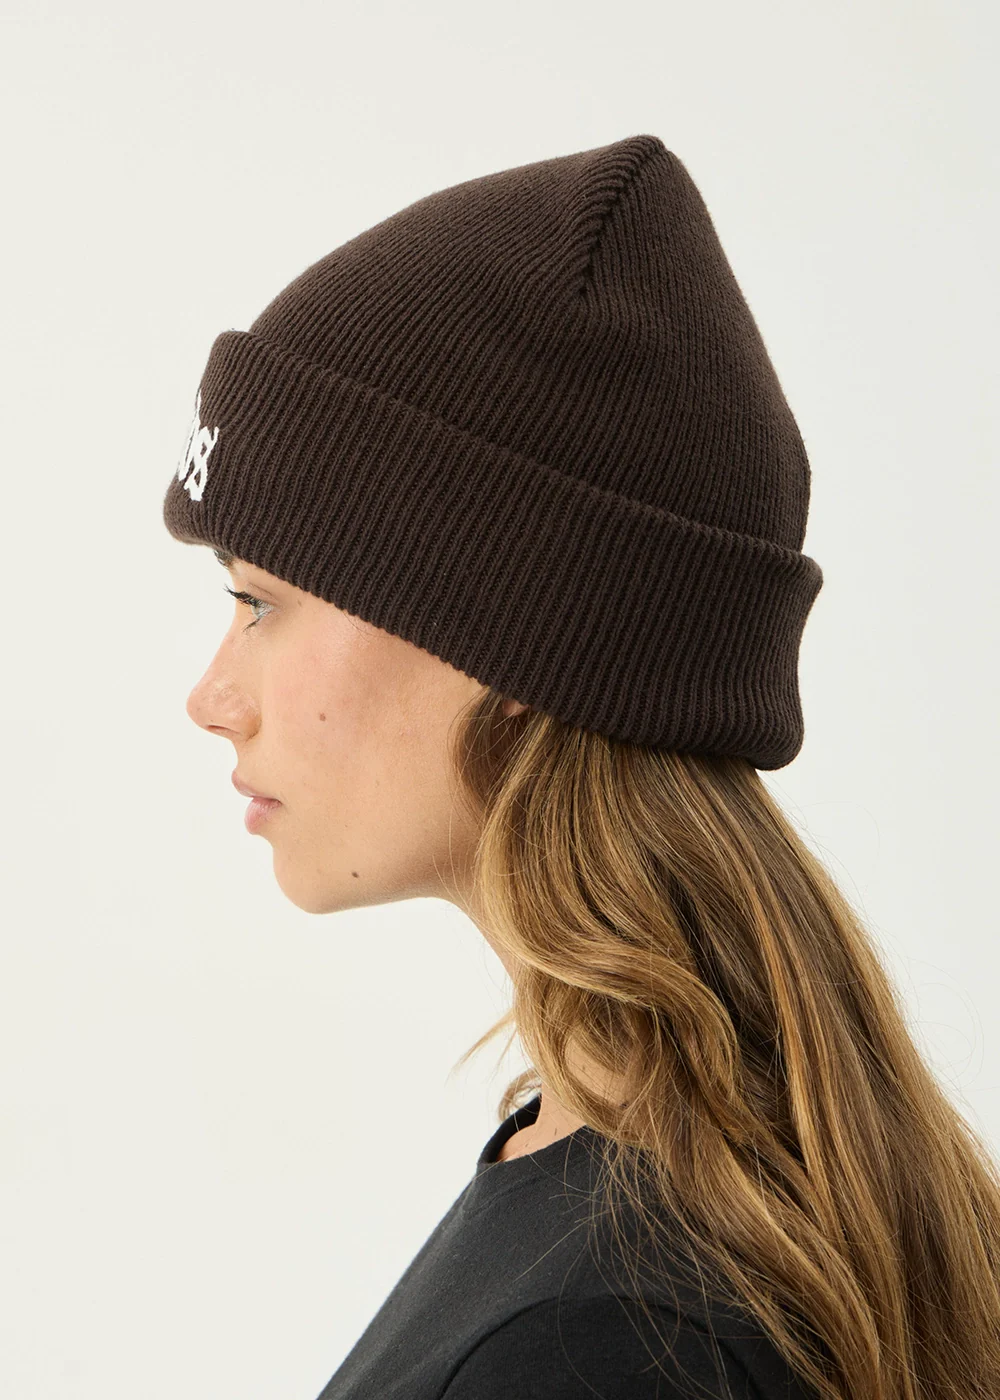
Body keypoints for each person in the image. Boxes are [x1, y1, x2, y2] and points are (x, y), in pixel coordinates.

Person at [165, 134, 1000, 1399]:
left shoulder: (606, 1338)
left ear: (508, 632)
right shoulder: (602, 1169)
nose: (212, 698)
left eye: (259, 600)